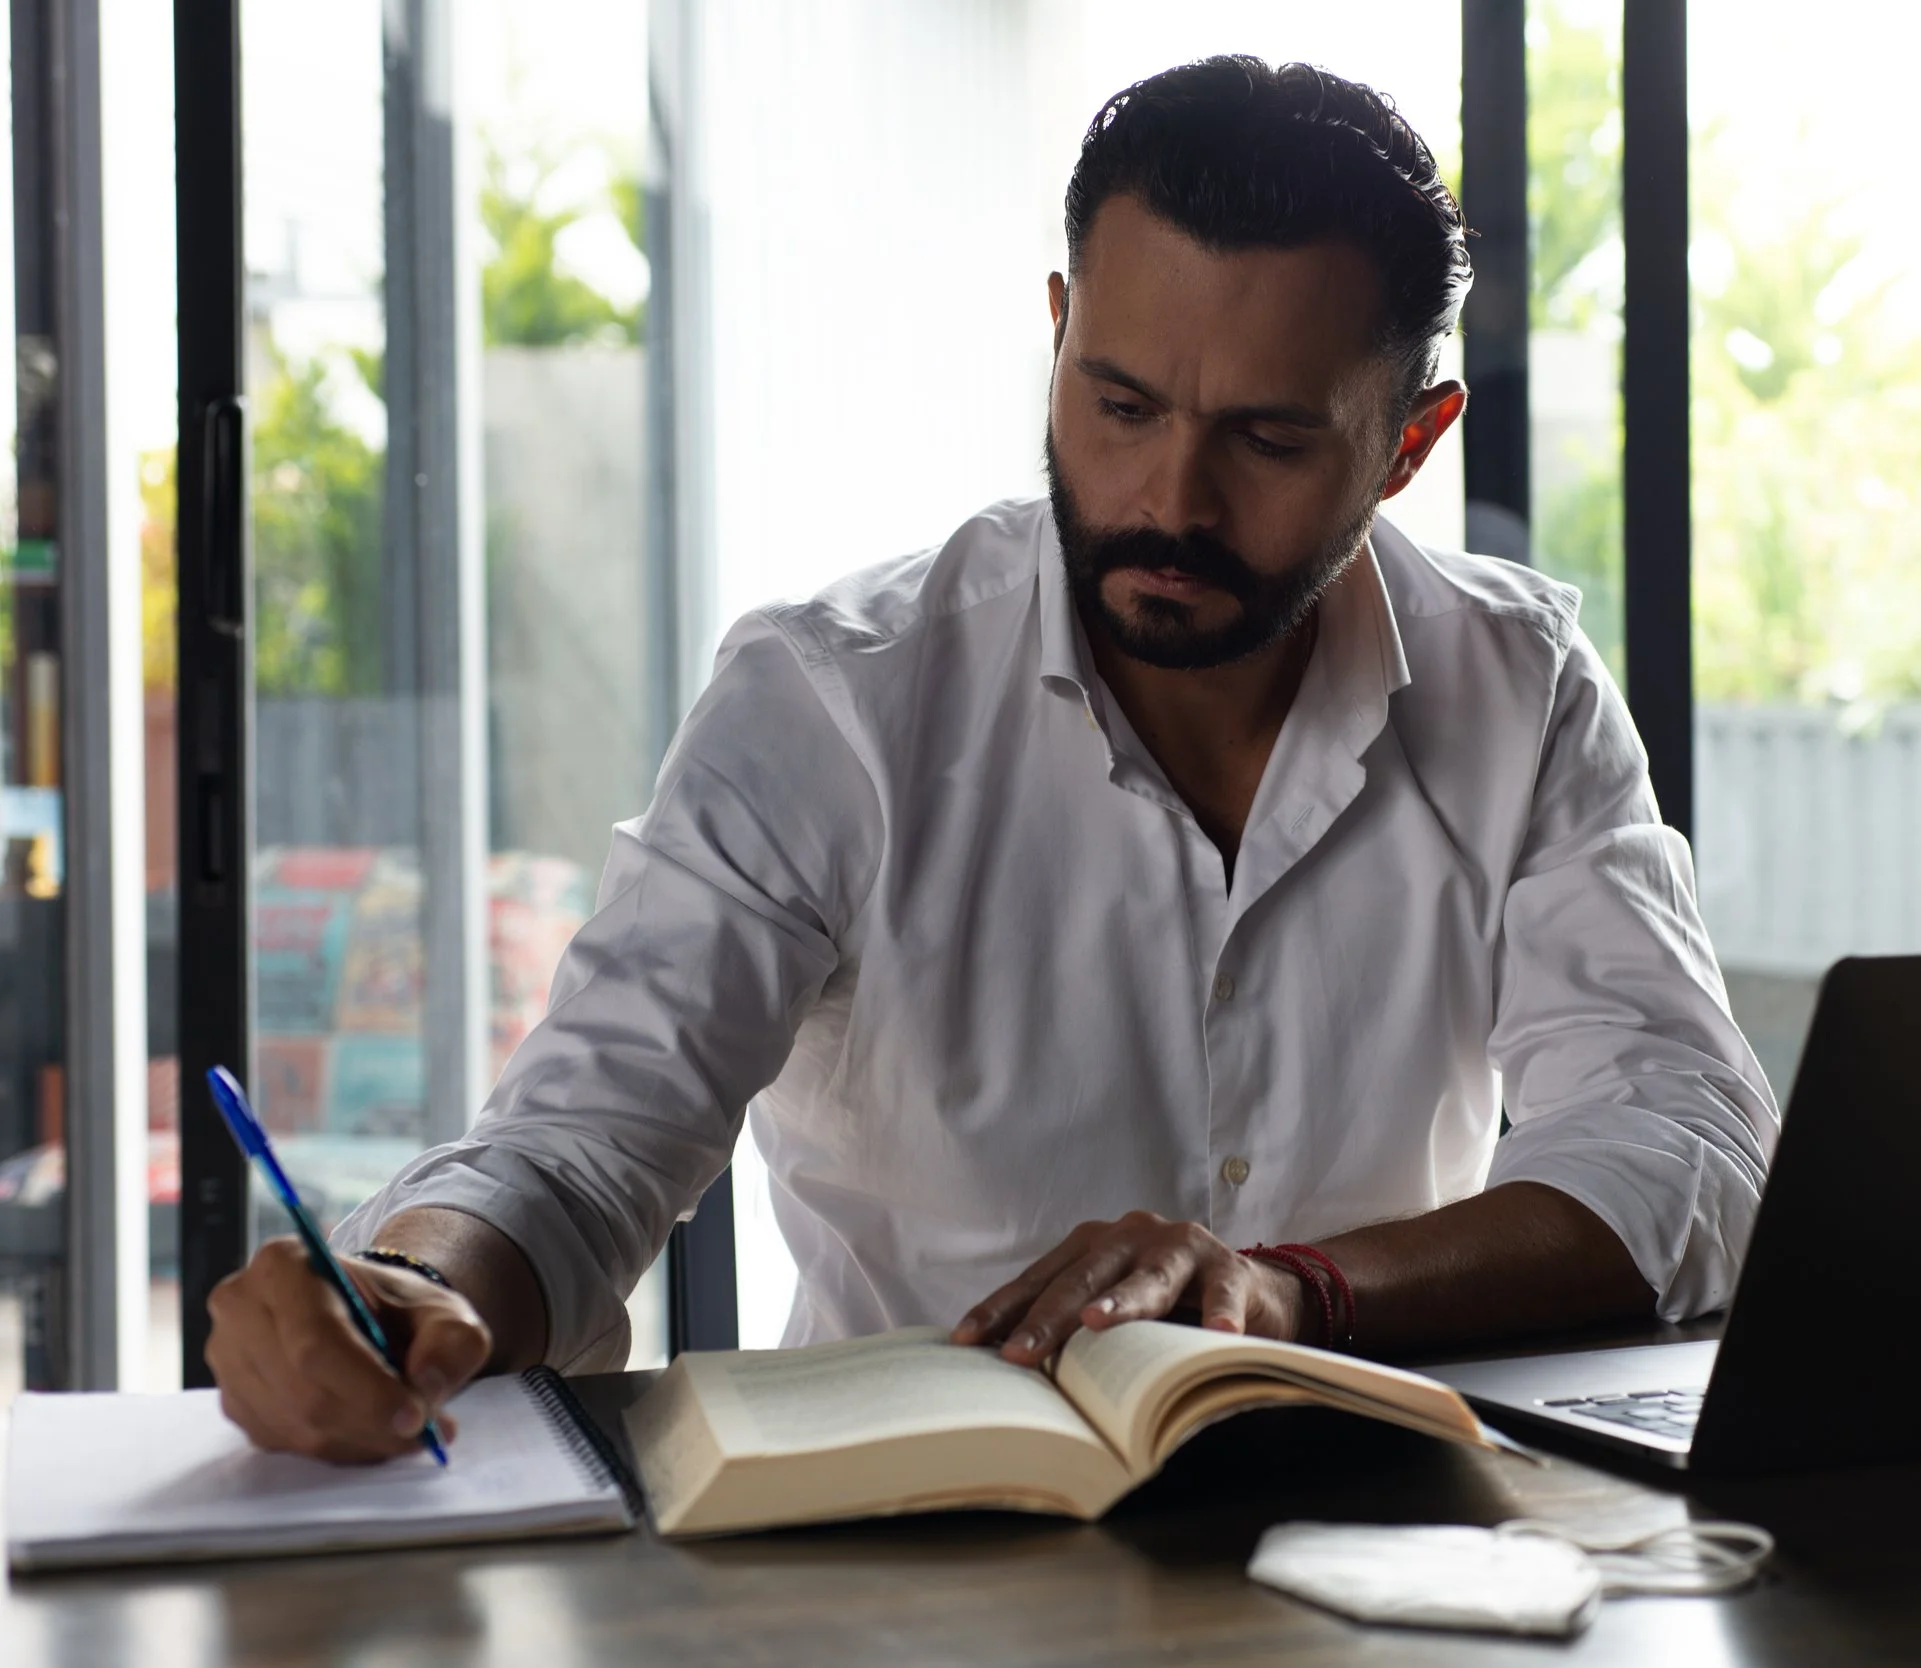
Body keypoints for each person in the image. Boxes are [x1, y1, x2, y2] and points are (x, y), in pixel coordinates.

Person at [206, 55, 1777, 1464]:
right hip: (917, 1547)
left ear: (1408, 446)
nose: (1170, 499)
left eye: (1268, 439)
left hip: (1385, 1535)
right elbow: (583, 1142)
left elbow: (1686, 1142)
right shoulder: (830, 700)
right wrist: (408, 1284)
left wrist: (1293, 1294)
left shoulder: (1519, 686)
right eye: (1120, 402)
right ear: (1059, 333)